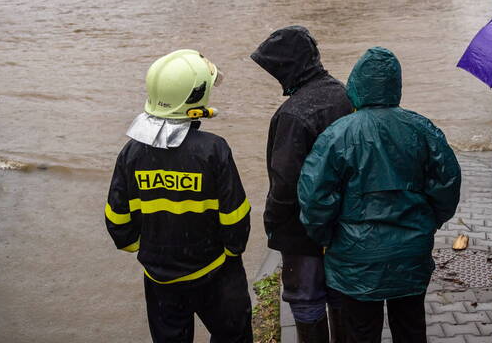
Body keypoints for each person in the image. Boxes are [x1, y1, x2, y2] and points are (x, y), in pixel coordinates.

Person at [298, 47, 461, 343]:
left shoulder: (337, 135)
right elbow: (447, 183)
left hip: (355, 257)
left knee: (361, 332)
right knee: (411, 327)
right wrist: (430, 221)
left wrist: (326, 237)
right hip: (410, 251)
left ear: (356, 85)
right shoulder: (422, 128)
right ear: (395, 85)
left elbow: (314, 198)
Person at [104, 49, 252, 343]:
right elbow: (236, 217)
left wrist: (149, 251)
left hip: (160, 279)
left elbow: (117, 220)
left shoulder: (132, 152)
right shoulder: (213, 150)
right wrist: (231, 253)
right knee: (232, 335)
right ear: (196, 98)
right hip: (215, 272)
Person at [251, 26, 353, 343]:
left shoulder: (293, 115)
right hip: (347, 223)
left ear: (288, 67)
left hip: (302, 230)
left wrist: (274, 224)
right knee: (340, 291)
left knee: (306, 298)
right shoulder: (346, 94)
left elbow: (284, 183)